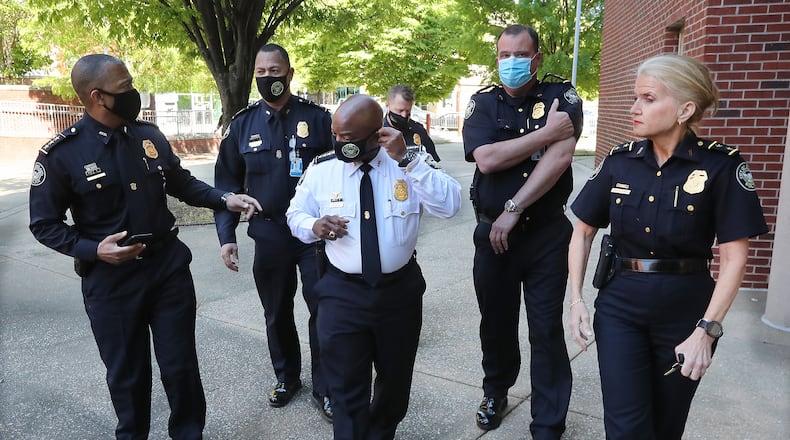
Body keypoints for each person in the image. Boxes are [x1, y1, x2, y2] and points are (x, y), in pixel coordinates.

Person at [28, 54, 261, 440]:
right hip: (111, 282)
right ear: (97, 97)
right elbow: (44, 224)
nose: (134, 93)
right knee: (128, 375)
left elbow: (182, 184)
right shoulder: (62, 154)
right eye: (125, 88)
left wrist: (224, 199)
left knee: (181, 366)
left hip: (167, 270)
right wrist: (92, 249)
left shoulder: (147, 136)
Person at [567, 54, 768, 439]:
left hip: (685, 313)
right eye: (635, 97)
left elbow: (734, 258)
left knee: (666, 425)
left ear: (684, 109)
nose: (635, 108)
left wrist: (706, 331)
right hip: (620, 306)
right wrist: (575, 299)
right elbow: (583, 231)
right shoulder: (619, 161)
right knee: (626, 427)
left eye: (648, 98)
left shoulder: (721, 165)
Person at [286, 94, 461, 439]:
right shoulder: (323, 170)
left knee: (395, 386)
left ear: (376, 134)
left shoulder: (409, 163)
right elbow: (294, 214)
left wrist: (408, 160)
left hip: (399, 294)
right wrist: (314, 226)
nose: (340, 144)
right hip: (342, 294)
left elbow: (450, 205)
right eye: (336, 136)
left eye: (349, 139)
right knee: (346, 388)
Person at [462, 24, 583, 438]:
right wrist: (546, 133)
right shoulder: (482, 104)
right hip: (490, 236)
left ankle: (548, 420)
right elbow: (487, 160)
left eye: (520, 54)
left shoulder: (561, 96)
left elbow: (561, 157)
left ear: (537, 58)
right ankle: (495, 390)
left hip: (545, 236)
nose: (511, 61)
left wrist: (515, 207)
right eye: (503, 54)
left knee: (545, 329)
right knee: (495, 322)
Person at [213, 43, 334, 420]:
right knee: (276, 312)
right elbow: (226, 184)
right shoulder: (242, 124)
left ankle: (326, 386)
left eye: (275, 71)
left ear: (290, 73)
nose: (269, 78)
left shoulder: (319, 120)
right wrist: (227, 235)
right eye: (261, 73)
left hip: (313, 237)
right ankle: (287, 377)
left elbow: (341, 173)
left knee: (323, 310)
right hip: (268, 234)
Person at [383, 84, 440, 162]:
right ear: (387, 105)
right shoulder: (376, 133)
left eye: (408, 111)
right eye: (400, 110)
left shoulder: (418, 131)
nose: (404, 115)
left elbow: (434, 165)